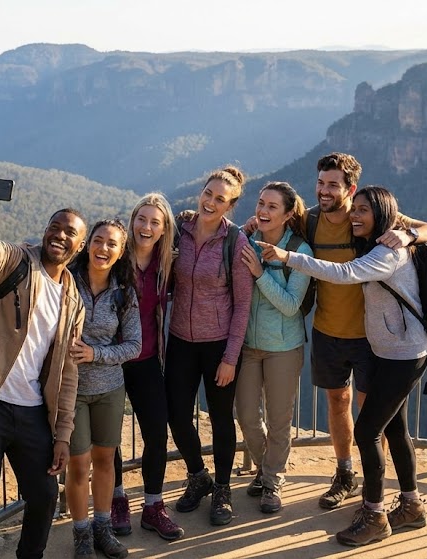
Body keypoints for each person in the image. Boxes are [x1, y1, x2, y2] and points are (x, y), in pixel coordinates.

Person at [259, 186, 427, 546]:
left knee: (368, 432)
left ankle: (374, 514)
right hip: (391, 352)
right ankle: (412, 505)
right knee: (396, 429)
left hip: (403, 355)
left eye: (364, 211)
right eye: (357, 210)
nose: (356, 216)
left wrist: (288, 258)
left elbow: (345, 273)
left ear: (382, 214)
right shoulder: (378, 245)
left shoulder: (387, 252)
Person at [0, 172, 87, 559]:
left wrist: (62, 434)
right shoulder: (15, 262)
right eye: (54, 227)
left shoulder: (72, 300)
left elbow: (67, 372)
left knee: (44, 495)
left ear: (77, 247)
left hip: (31, 413)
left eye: (69, 233)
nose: (59, 235)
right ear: (45, 231)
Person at [304, 153, 427, 510]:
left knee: (372, 415)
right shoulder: (310, 220)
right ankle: (344, 473)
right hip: (327, 328)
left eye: (332, 184)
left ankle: (371, 484)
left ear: (349, 188)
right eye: (320, 182)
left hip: (371, 337)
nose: (323, 190)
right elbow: (272, 222)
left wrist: (408, 234)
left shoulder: (376, 217)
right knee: (338, 402)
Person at [166, 165, 254, 527]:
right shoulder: (177, 231)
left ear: (230, 205)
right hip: (180, 340)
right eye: (208, 193)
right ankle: (197, 475)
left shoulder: (236, 241)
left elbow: (243, 304)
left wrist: (231, 358)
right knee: (177, 414)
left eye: (220, 199)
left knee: (220, 419)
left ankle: (222, 489)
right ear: (200, 192)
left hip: (218, 344)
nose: (211, 202)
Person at [234, 182, 312, 514]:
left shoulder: (300, 251)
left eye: (272, 207)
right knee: (247, 415)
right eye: (261, 204)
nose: (263, 211)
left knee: (279, 420)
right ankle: (267, 468)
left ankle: (272, 479)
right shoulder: (246, 239)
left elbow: (291, 305)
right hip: (249, 345)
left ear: (289, 213)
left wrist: (258, 273)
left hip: (284, 346)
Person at [109, 194, 185, 541]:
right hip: (108, 359)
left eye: (155, 221)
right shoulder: (114, 257)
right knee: (108, 437)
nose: (147, 227)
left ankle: (153, 506)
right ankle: (116, 498)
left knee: (156, 432)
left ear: (164, 228)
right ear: (132, 220)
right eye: (142, 219)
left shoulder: (166, 263)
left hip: (147, 358)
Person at [66, 219, 142, 559]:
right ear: (87, 244)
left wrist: (95, 353)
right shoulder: (66, 282)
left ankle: (102, 527)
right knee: (79, 465)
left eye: (112, 243)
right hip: (72, 390)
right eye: (98, 241)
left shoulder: (124, 291)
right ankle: (81, 534)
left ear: (120, 251)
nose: (103, 249)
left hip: (110, 389)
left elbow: (135, 346)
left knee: (106, 460)